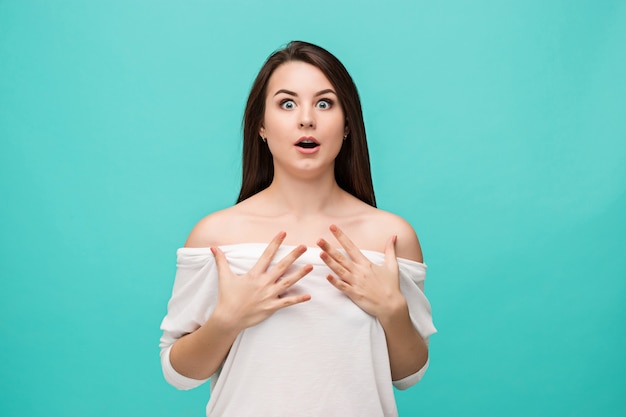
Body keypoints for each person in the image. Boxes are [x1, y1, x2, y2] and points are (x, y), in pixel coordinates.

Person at [159, 40, 436, 417]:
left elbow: (408, 374)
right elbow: (179, 375)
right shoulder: (215, 236)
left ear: (348, 123)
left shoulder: (391, 237)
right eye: (287, 103)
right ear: (260, 124)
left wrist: (391, 310)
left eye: (325, 103)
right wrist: (227, 320)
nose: (307, 119)